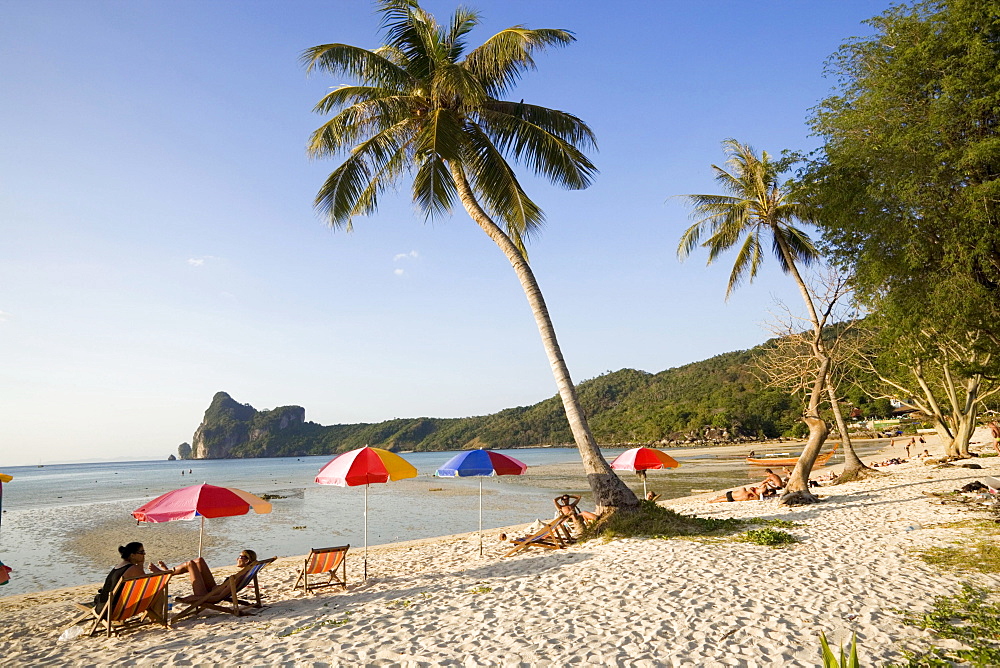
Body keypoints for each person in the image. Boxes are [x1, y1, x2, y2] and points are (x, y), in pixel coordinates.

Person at [94, 542, 169, 611]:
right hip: (114, 610)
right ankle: (156, 618)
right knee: (158, 591)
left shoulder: (119, 567)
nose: (144, 554)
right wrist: (143, 566)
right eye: (141, 552)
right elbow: (147, 585)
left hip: (103, 607)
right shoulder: (133, 569)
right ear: (132, 555)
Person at [163, 549, 257, 598]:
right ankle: (168, 571)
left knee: (190, 564)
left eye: (240, 557)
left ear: (247, 560)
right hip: (213, 589)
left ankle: (168, 572)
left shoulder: (238, 578)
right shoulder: (245, 572)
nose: (237, 559)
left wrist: (192, 598)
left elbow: (218, 597)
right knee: (199, 560)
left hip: (206, 594)